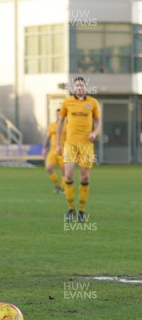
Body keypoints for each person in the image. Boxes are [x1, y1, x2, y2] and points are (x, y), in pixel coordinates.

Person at [56, 76, 101, 223]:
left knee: (84, 177)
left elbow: (98, 121)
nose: (79, 88)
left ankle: (81, 210)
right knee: (68, 175)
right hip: (70, 144)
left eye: (82, 85)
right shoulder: (67, 102)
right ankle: (70, 208)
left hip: (87, 145)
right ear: (74, 88)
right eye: (77, 85)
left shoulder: (93, 103)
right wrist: (58, 143)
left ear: (85, 87)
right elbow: (60, 123)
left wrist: (94, 133)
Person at [42, 108, 66, 194]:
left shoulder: (67, 125)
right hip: (53, 150)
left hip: (64, 151)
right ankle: (57, 185)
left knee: (64, 171)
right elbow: (47, 137)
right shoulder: (52, 125)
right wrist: (44, 148)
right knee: (48, 168)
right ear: (55, 115)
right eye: (58, 114)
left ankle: (63, 188)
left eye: (61, 114)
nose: (59, 116)